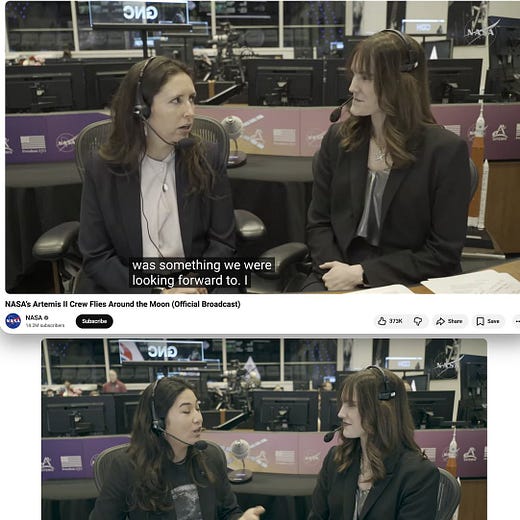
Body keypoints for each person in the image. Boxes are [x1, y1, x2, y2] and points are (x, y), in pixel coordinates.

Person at [304, 30, 471, 291]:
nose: (352, 87)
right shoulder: (338, 139)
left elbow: (443, 254)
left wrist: (361, 274)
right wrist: (335, 271)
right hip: (336, 270)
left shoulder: (446, 152)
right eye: (354, 75)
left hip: (405, 278)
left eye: (366, 77)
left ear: (399, 85)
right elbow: (319, 223)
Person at [78, 56, 236, 293]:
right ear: (140, 109)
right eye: (176, 101)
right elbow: (97, 256)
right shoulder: (102, 169)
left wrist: (193, 284)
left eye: (191, 99)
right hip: (132, 287)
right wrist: (157, 295)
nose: (189, 112)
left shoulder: (207, 158)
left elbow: (223, 243)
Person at [90, 376, 265, 520]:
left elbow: (229, 512)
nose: (198, 418)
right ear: (158, 422)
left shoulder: (211, 457)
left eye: (197, 408)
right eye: (186, 411)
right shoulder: (126, 466)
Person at [308, 366, 439, 519]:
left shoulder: (419, 475)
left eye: (352, 405)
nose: (341, 413)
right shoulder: (336, 459)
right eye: (342, 403)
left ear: (382, 411)